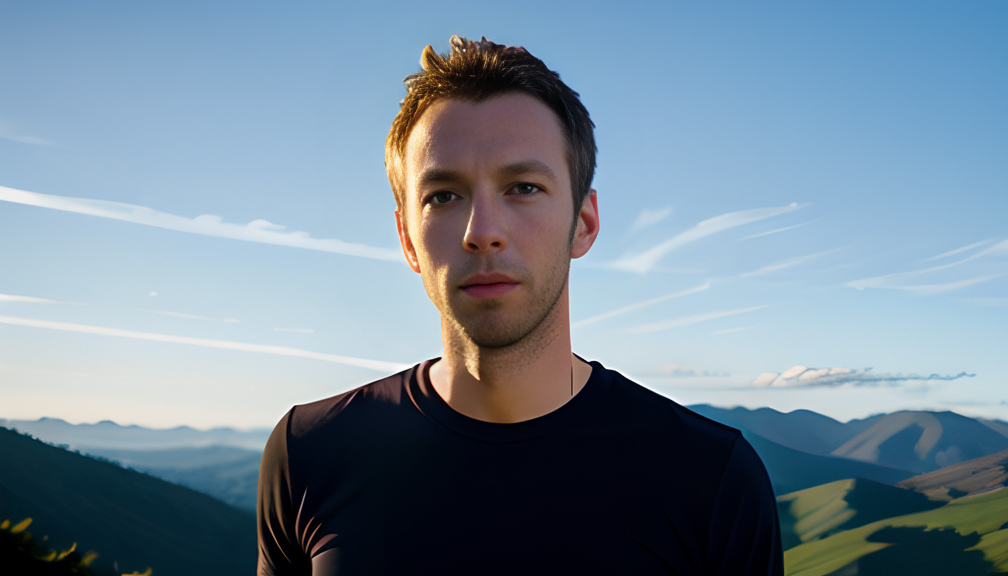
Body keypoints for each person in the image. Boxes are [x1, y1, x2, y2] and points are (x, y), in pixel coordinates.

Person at [257, 36, 783, 575]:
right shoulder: (307, 454)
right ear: (407, 239)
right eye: (443, 195)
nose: (481, 232)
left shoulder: (712, 479)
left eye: (523, 187)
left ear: (584, 222)